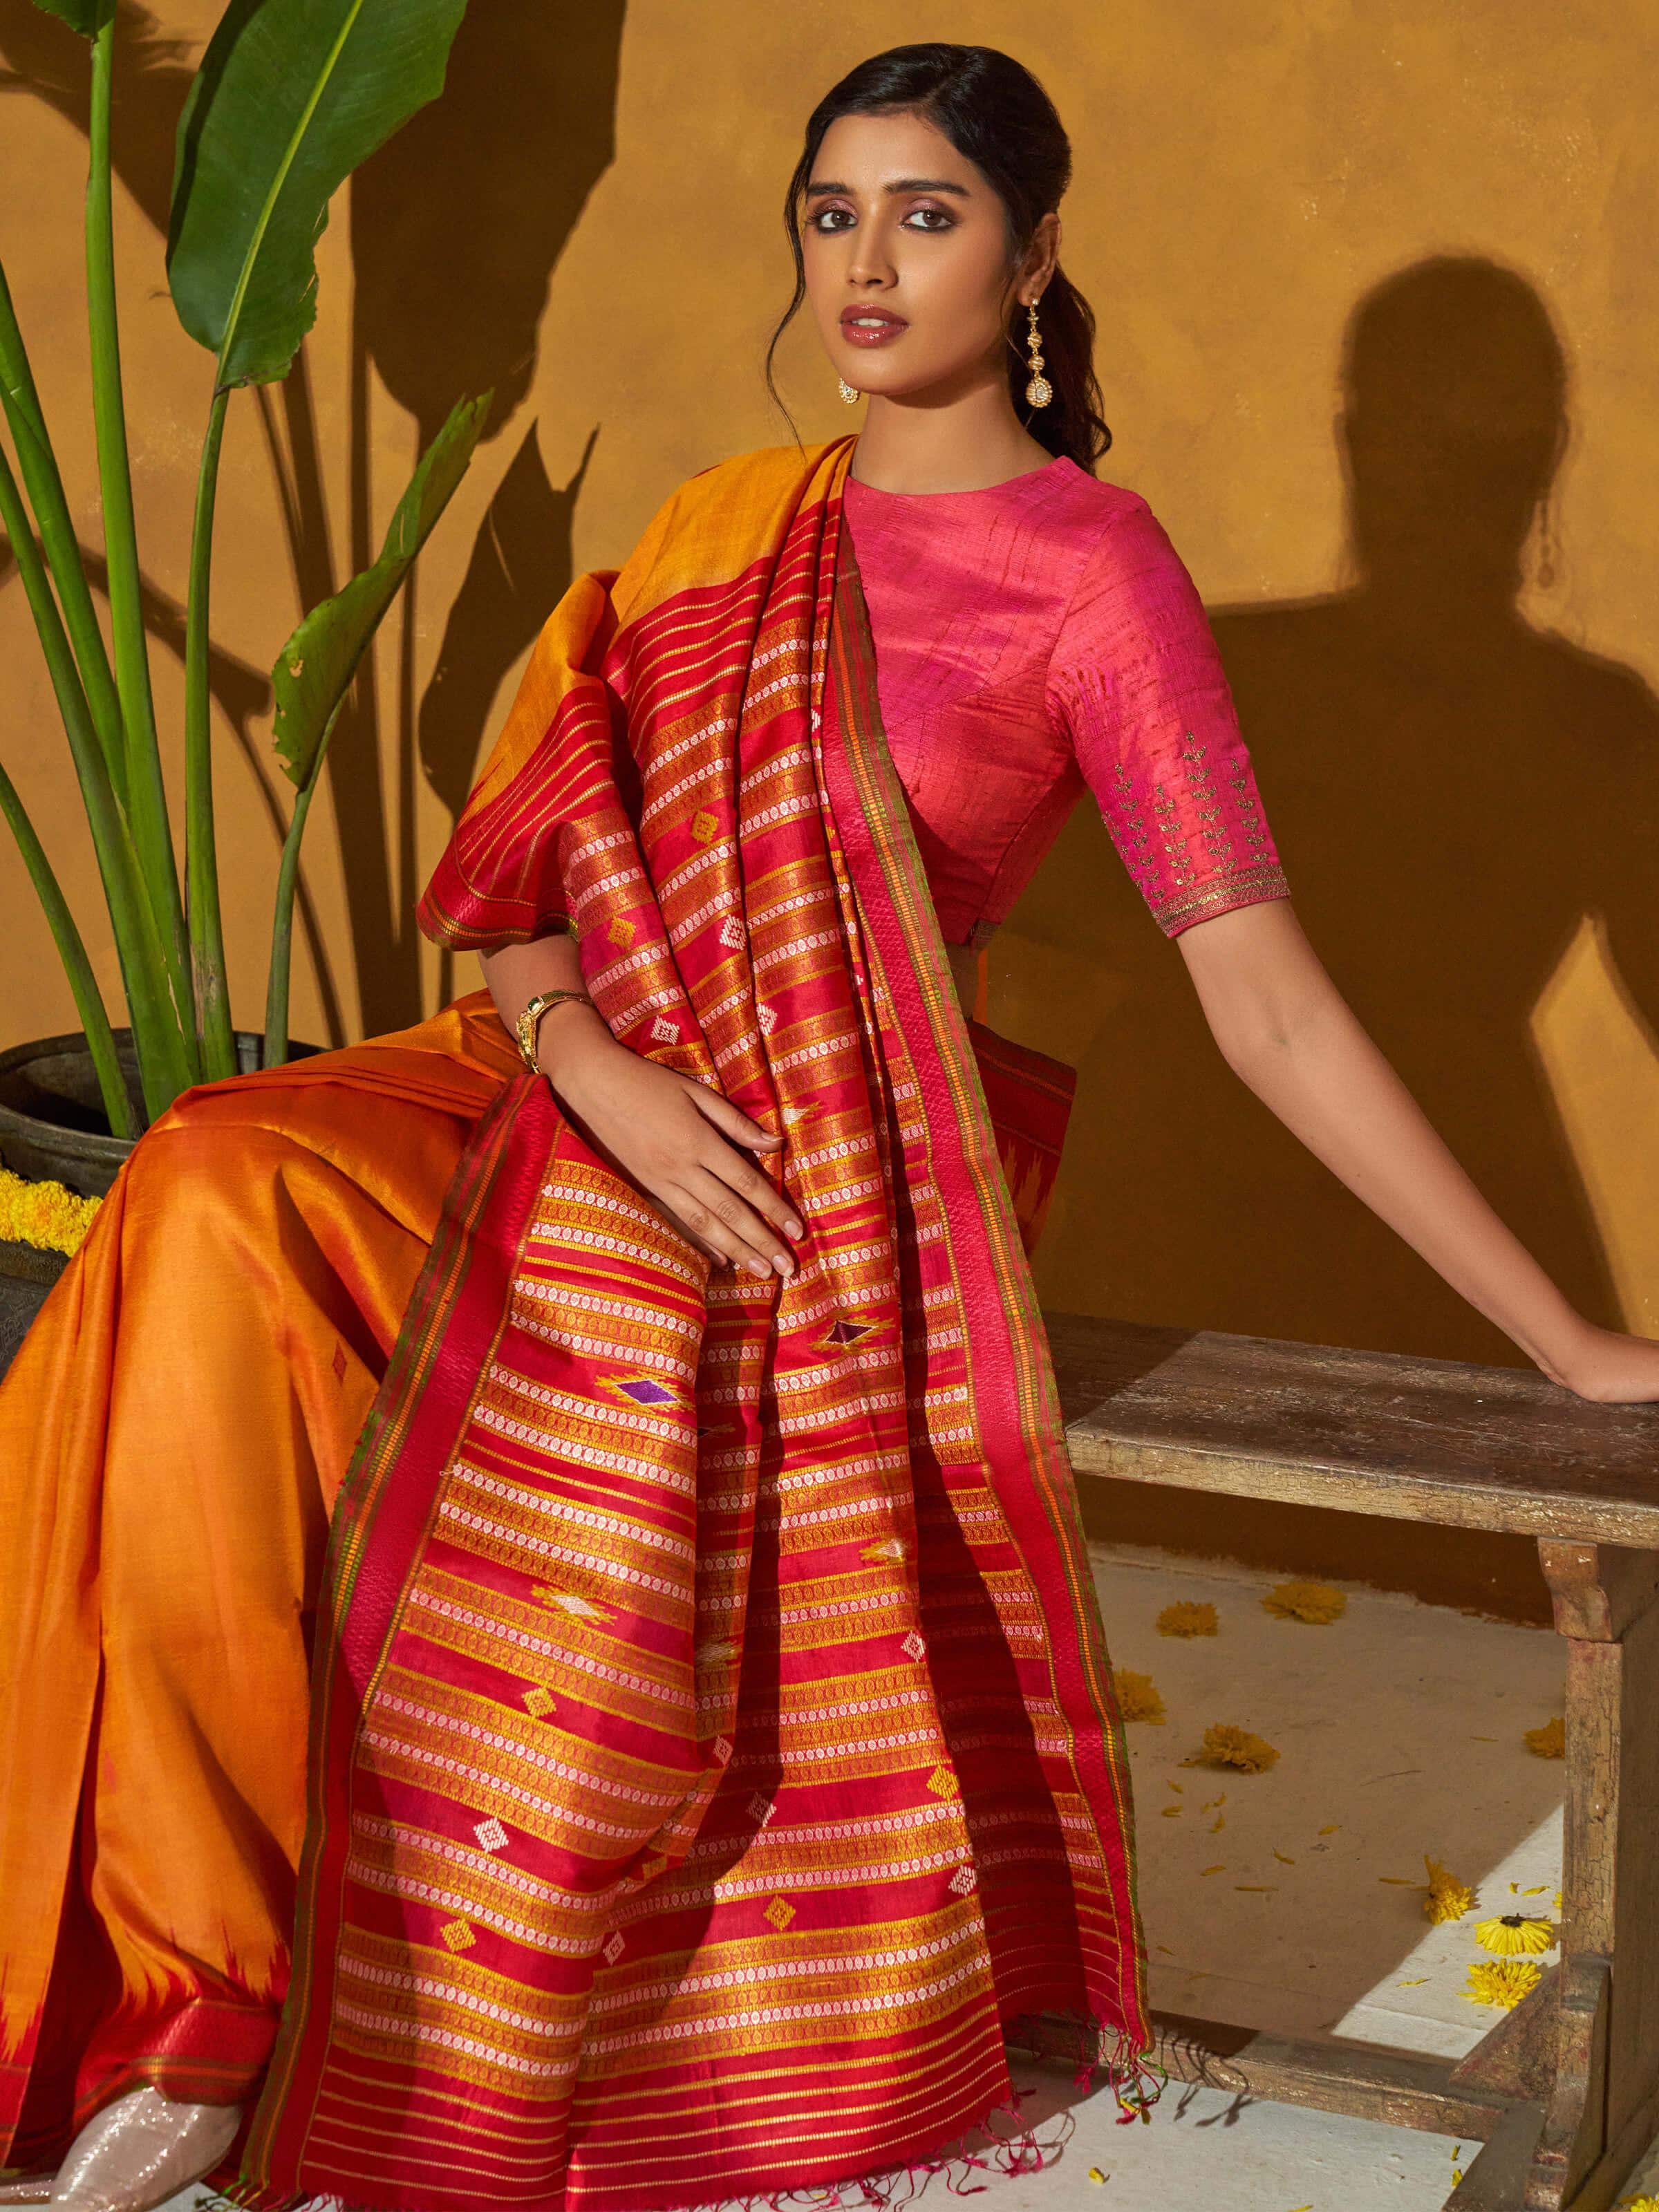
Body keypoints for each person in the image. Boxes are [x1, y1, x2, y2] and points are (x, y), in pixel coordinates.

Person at [3, 38, 1657, 2212]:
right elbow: (523, 900)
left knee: (224, 1219)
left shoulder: (1098, 576)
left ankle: (279, 2003)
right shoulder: (721, 525)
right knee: (205, 1196)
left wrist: (1569, 1342)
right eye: (834, 212)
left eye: (929, 214)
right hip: (571, 1082)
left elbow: (1259, 997)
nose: (869, 263)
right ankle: (194, 1991)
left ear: (1035, 252)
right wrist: (596, 1064)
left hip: (837, 1158)